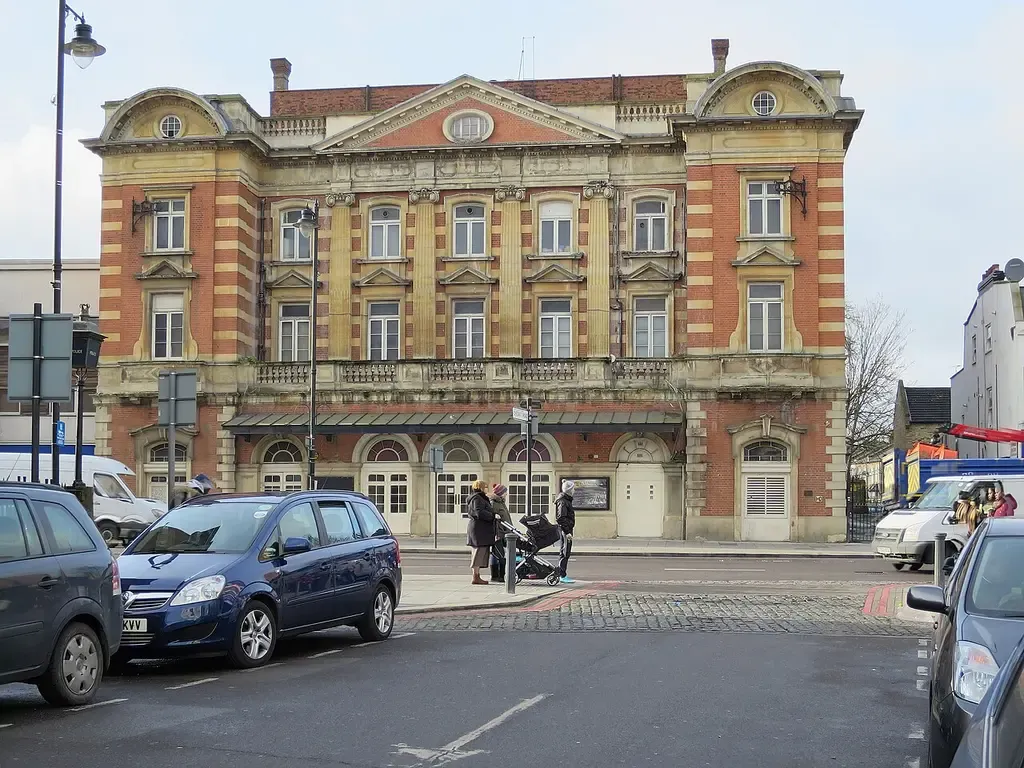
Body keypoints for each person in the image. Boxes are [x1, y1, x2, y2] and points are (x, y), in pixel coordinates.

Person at [465, 479, 495, 585]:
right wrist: (492, 516)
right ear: (481, 487)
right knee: (478, 552)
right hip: (478, 529)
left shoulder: (479, 497)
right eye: (485, 487)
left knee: (479, 552)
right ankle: (475, 577)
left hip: (480, 529)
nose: (487, 489)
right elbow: (478, 512)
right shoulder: (477, 498)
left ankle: (477, 576)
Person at [488, 484, 513, 582]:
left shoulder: (501, 502)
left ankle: (500, 575)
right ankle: (497, 576)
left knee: (500, 553)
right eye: (505, 492)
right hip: (498, 532)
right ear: (500, 493)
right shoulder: (494, 503)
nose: (506, 494)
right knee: (498, 554)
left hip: (505, 531)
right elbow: (493, 517)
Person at [554, 479, 576, 584]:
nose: (574, 490)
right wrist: (567, 532)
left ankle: (561, 573)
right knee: (565, 552)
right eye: (573, 489)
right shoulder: (563, 501)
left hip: (566, 529)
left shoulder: (566, 500)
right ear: (569, 490)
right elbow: (560, 518)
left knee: (565, 551)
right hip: (565, 530)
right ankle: (562, 574)